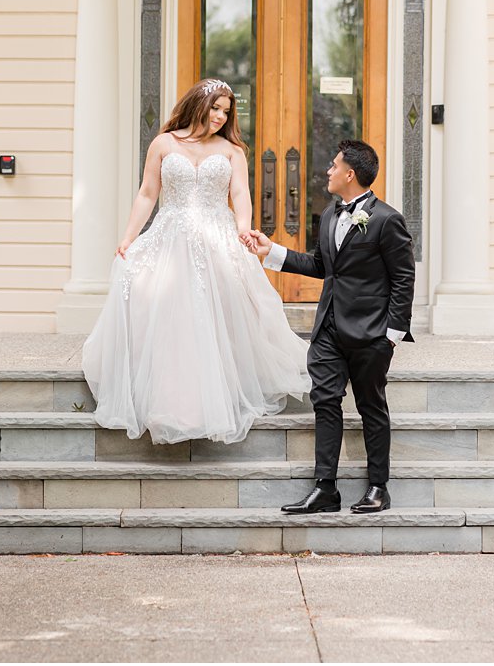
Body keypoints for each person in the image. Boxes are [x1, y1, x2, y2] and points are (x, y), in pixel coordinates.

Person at [82, 77, 310, 444]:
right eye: (215, 108)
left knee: (215, 316)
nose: (220, 116)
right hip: (170, 235)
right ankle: (173, 402)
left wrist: (243, 229)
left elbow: (240, 194)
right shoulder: (164, 143)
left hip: (217, 237)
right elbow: (147, 193)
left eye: (226, 111)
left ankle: (217, 395)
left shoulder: (233, 151)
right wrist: (128, 236)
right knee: (169, 314)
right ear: (198, 105)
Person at [242, 139, 415, 515]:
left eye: (334, 166)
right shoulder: (330, 215)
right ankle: (325, 489)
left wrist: (391, 334)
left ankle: (378, 488)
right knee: (325, 402)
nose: (329, 171)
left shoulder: (387, 220)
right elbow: (321, 266)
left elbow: (403, 278)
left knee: (371, 405)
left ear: (350, 173)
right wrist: (270, 251)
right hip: (328, 331)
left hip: (371, 334)